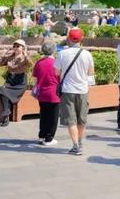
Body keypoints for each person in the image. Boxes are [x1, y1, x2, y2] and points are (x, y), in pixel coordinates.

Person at [55, 27, 95, 156]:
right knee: (81, 119)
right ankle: (80, 141)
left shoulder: (62, 53)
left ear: (68, 39)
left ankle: (76, 146)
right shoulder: (87, 54)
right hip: (83, 90)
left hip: (67, 90)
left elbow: (56, 72)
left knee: (71, 120)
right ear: (81, 39)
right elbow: (91, 73)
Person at [0, 40, 32, 127]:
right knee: (2, 90)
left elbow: (30, 64)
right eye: (14, 46)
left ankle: (5, 115)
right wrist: (4, 54)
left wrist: (26, 54)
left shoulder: (25, 57)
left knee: (4, 92)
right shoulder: (10, 57)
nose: (15, 48)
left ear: (23, 47)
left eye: (18, 46)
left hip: (20, 81)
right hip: (10, 80)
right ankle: (6, 113)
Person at [32, 42, 61, 145]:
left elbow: (35, 80)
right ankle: (49, 138)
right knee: (53, 117)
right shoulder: (56, 63)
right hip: (54, 93)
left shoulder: (39, 63)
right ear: (54, 50)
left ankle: (42, 135)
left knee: (43, 115)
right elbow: (60, 78)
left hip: (42, 93)